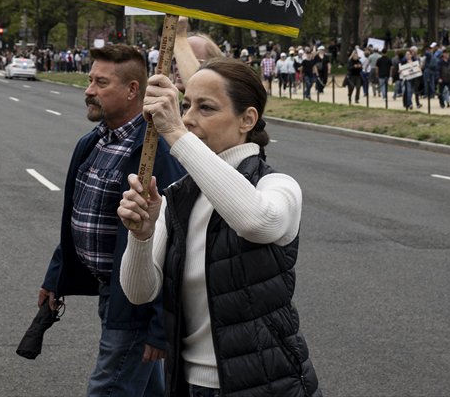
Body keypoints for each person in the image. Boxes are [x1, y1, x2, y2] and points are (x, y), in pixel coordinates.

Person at [117, 59, 321, 397]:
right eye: (185, 106)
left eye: (206, 107)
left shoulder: (277, 186)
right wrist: (141, 235)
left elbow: (256, 221)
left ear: (247, 119)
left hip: (267, 384)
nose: (189, 118)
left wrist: (176, 133)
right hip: (188, 383)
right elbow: (139, 292)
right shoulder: (178, 197)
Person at [39, 44, 185, 397]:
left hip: (136, 306)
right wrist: (55, 277)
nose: (89, 90)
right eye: (90, 80)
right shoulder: (92, 144)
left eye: (101, 83)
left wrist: (159, 326)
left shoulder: (155, 154)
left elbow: (174, 246)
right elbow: (74, 219)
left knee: (108, 388)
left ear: (133, 90)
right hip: (110, 291)